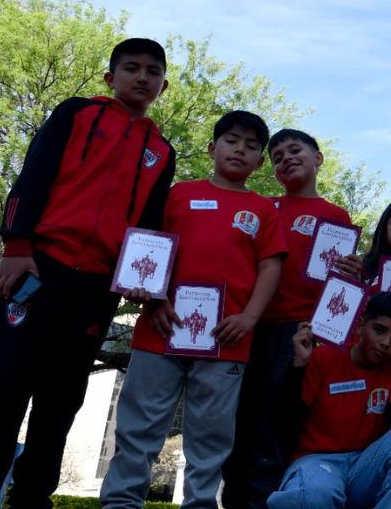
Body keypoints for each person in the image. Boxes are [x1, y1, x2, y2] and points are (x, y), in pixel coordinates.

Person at [0, 38, 176, 508]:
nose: (141, 77)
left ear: (162, 85)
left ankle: (31, 498)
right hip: (37, 268)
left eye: (152, 71)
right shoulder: (75, 114)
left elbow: (150, 224)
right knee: (2, 383)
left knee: (61, 398)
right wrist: (15, 245)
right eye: (130, 68)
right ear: (110, 78)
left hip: (96, 288)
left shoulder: (161, 150)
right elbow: (33, 176)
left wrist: (147, 285)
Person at [100, 111, 287, 509]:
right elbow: (147, 246)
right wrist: (154, 296)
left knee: (212, 437)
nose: (240, 149)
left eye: (252, 146)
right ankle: (119, 503)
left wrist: (250, 317)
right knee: (138, 429)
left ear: (259, 162)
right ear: (212, 148)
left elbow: (271, 266)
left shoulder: (263, 210)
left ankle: (200, 504)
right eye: (232, 140)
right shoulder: (177, 193)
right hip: (158, 330)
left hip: (226, 339)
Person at [222, 129, 353, 509]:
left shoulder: (336, 215)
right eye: (277, 156)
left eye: (294, 150)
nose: (286, 159)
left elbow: (339, 291)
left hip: (298, 334)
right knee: (237, 424)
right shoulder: (264, 208)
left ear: (318, 158)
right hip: (247, 329)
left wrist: (349, 272)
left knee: (275, 428)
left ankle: (264, 501)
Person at [267, 293, 391, 509]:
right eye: (379, 330)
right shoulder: (324, 358)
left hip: (366, 466)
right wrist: (299, 366)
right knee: (315, 495)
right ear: (360, 326)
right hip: (318, 461)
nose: (386, 342)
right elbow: (284, 420)